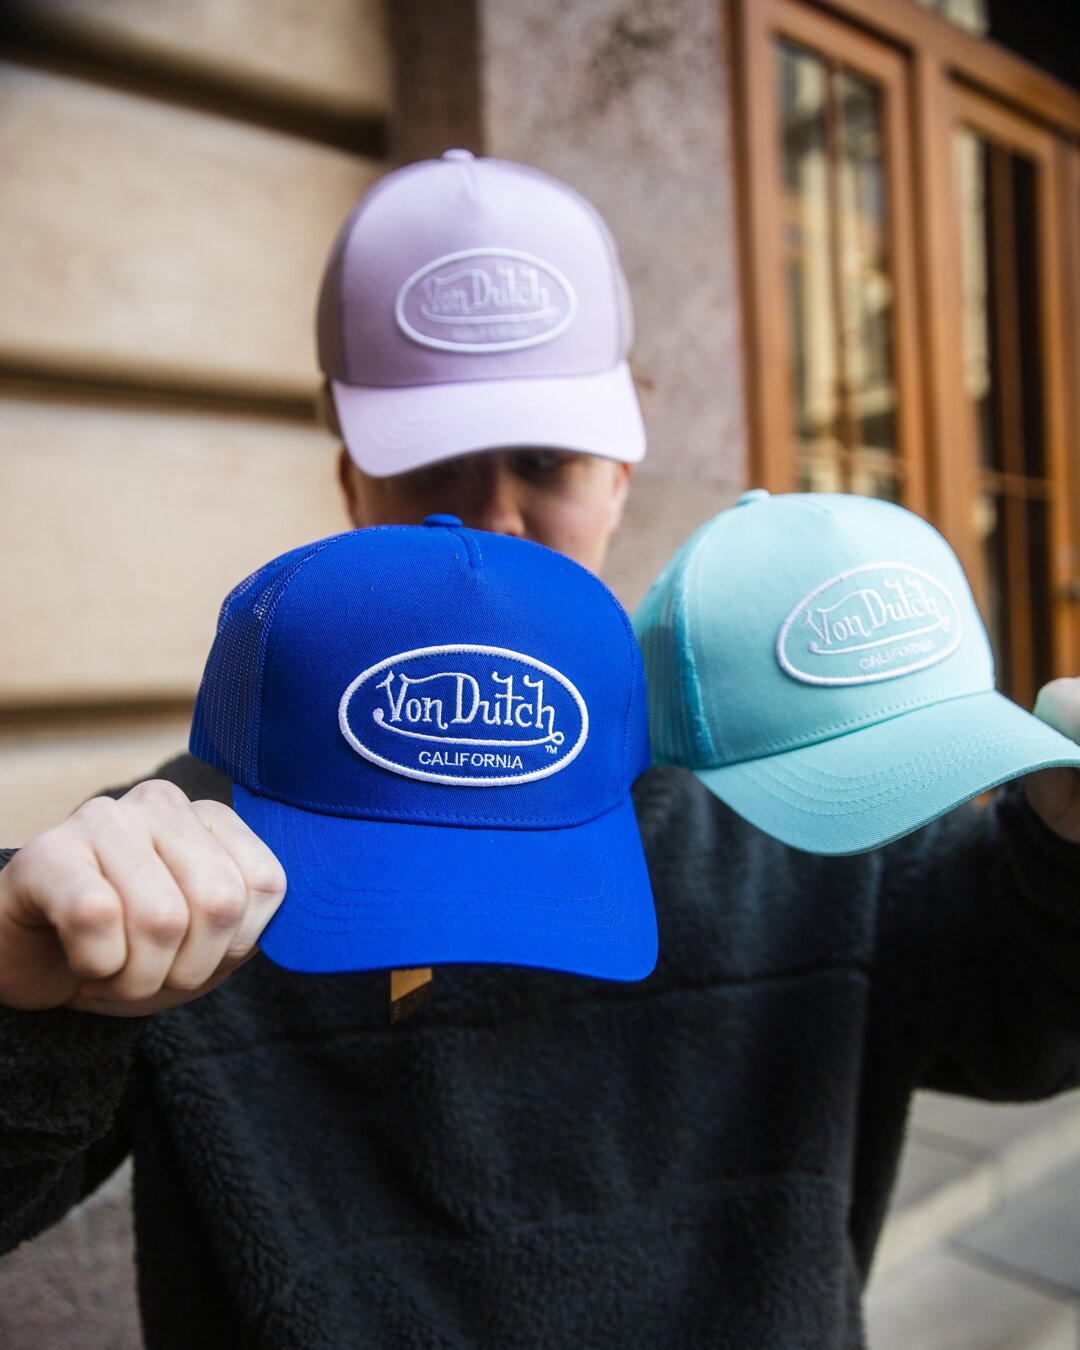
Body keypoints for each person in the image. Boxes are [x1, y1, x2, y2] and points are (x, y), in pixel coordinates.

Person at [0, 150, 1078, 1349]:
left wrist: (1066, 850)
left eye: (547, 461)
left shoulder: (794, 800)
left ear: (620, 472)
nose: (497, 516)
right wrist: (21, 993)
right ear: (353, 475)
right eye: (434, 464)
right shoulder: (185, 863)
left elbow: (1026, 1026)